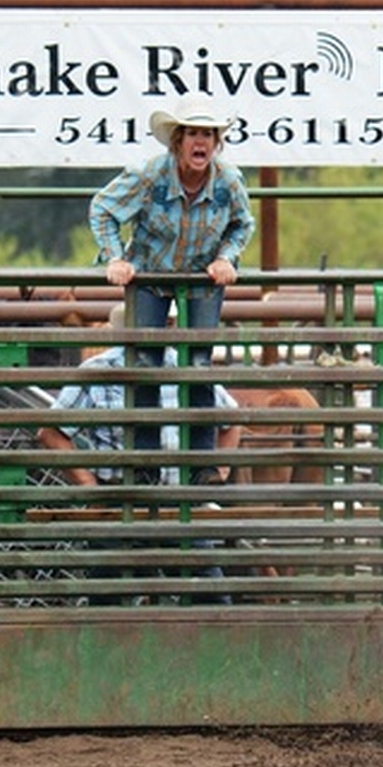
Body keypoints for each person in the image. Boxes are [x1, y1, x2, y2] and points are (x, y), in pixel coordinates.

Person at [89, 97, 255, 487]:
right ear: (178, 140)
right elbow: (103, 209)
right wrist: (116, 258)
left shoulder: (229, 180)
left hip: (202, 274)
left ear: (217, 143)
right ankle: (145, 463)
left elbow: (242, 224)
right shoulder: (149, 174)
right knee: (145, 362)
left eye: (209, 135)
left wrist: (227, 257)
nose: (201, 143)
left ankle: (203, 466)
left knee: (198, 363)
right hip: (149, 272)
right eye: (194, 134)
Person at [37, 306, 242, 605]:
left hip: (144, 501)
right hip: (156, 501)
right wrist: (91, 488)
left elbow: (51, 432)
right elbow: (51, 432)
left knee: (112, 599)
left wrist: (89, 486)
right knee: (206, 597)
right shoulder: (109, 370)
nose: (168, 327)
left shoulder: (104, 371)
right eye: (165, 321)